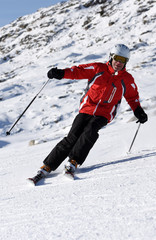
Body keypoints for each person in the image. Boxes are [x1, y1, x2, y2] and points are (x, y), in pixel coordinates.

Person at [31, 44, 148, 184]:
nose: (119, 62)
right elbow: (77, 71)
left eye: (123, 60)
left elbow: (132, 97)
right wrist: (61, 73)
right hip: (87, 108)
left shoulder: (126, 79)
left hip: (105, 113)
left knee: (91, 131)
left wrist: (138, 110)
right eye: (117, 58)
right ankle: (47, 166)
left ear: (126, 62)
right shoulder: (98, 68)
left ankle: (73, 162)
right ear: (111, 57)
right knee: (72, 137)